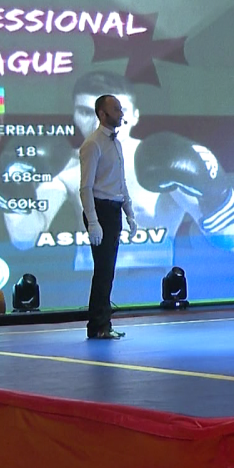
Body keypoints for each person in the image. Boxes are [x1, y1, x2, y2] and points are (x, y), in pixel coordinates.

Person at [0, 71, 234, 266]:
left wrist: (216, 193)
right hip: (88, 288)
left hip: (154, 288)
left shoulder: (160, 159)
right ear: (74, 115)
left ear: (134, 115)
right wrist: (12, 188)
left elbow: (231, 241)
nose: (101, 123)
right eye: (87, 112)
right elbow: (24, 239)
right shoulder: (67, 165)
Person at [78, 94, 139, 339]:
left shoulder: (116, 143)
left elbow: (120, 182)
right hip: (100, 209)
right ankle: (97, 325)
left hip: (113, 210)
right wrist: (93, 221)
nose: (120, 113)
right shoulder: (93, 144)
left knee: (108, 270)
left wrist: (130, 213)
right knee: (103, 270)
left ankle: (104, 323)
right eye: (115, 109)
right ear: (102, 114)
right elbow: (86, 187)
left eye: (121, 109)